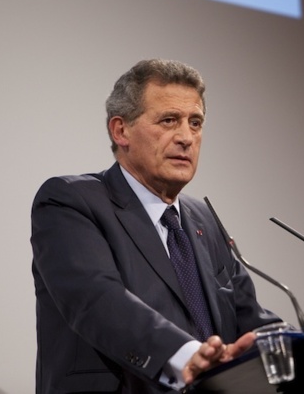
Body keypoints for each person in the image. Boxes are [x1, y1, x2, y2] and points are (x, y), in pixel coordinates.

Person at [31, 59, 279, 394]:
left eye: (195, 123)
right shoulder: (71, 201)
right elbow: (97, 299)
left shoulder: (204, 219)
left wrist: (300, 346)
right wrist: (186, 355)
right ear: (121, 131)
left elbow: (247, 317)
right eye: (169, 121)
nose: (186, 138)